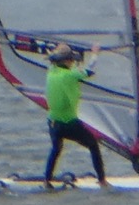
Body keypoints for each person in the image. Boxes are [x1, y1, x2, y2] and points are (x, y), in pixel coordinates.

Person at [44, 43, 109, 188]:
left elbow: (64, 65)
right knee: (93, 144)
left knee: (56, 149)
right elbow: (89, 71)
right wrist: (95, 53)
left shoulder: (51, 71)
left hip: (53, 122)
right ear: (66, 61)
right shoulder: (70, 75)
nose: (73, 62)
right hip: (68, 122)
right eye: (71, 60)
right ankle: (102, 181)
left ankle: (47, 180)